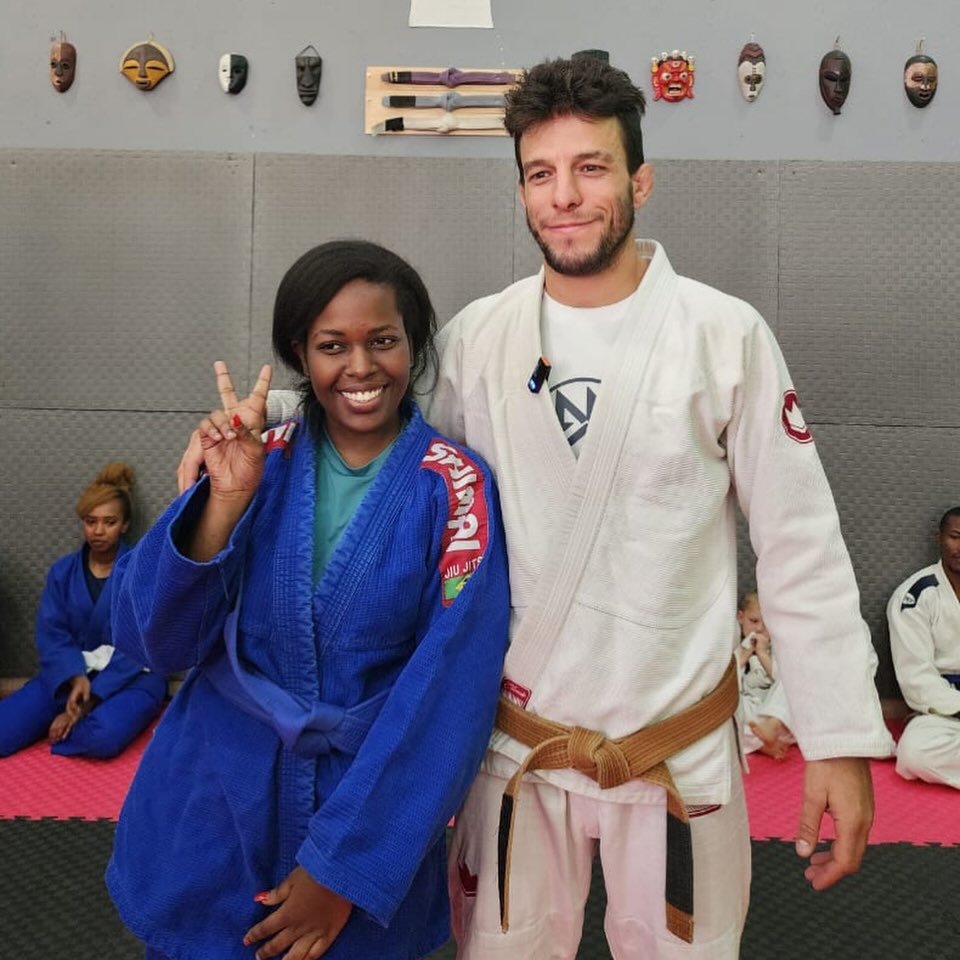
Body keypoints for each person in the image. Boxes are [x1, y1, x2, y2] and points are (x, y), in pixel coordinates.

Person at [178, 57, 894, 960]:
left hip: (678, 751)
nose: (565, 196)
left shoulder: (725, 336)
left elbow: (800, 545)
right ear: (521, 189)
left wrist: (836, 738)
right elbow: (378, 418)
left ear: (640, 178)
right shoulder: (482, 337)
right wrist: (260, 423)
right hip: (519, 753)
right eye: (541, 173)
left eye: (591, 168)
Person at [107, 240, 510, 960]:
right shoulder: (259, 457)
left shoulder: (456, 488)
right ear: (301, 353)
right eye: (333, 346)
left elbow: (451, 690)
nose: (360, 368)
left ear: (413, 346)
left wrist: (343, 870)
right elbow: (151, 642)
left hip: (361, 806)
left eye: (382, 340)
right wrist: (223, 501)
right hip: (211, 800)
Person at [0, 463, 166, 759]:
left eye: (109, 522)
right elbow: (52, 634)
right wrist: (75, 678)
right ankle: (59, 717)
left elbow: (141, 643)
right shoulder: (62, 572)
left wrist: (89, 700)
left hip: (130, 677)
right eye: (91, 521)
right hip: (72, 673)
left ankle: (70, 722)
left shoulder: (141, 573)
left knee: (102, 736)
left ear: (125, 525)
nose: (98, 531)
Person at [887, 507, 960, 789]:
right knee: (914, 753)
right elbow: (916, 677)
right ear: (939, 538)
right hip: (943, 712)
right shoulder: (915, 596)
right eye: (955, 537)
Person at [736, 590, 795, 760]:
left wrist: (763, 655)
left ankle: (772, 727)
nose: (760, 628)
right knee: (722, 714)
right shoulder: (736, 647)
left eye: (767, 623)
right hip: (749, 713)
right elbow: (727, 682)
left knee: (794, 681)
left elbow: (783, 679)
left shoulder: (779, 648)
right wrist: (744, 657)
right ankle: (762, 743)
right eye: (753, 621)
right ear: (740, 617)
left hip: (778, 714)